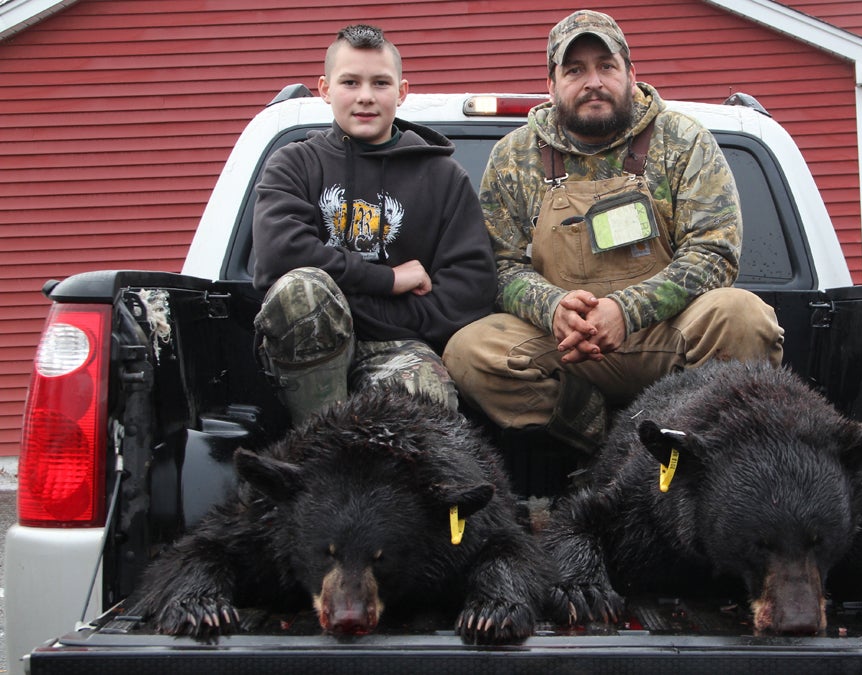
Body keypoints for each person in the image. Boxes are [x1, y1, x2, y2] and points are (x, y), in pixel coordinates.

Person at [443, 10, 783, 454]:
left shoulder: (683, 140)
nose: (594, 82)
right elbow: (500, 266)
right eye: (575, 70)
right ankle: (607, 446)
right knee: (469, 350)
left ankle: (697, 449)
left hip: (666, 334)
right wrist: (552, 307)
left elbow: (714, 254)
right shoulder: (514, 156)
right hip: (567, 344)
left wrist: (625, 311)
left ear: (630, 73)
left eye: (607, 66)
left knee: (743, 316)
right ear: (551, 85)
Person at [252, 24, 495, 423]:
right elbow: (280, 255)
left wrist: (359, 311)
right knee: (303, 291)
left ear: (401, 91)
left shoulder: (444, 178)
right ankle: (320, 452)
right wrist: (389, 281)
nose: (365, 96)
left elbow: (469, 293)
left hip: (398, 346)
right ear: (325, 88)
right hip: (302, 348)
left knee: (427, 396)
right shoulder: (294, 164)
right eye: (350, 81)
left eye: (380, 82)